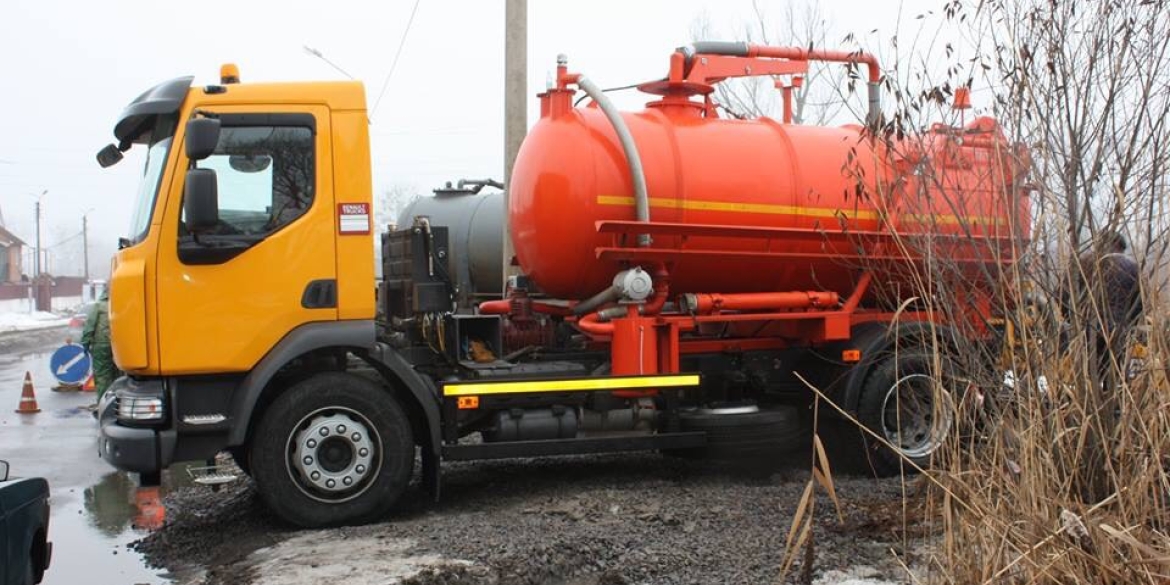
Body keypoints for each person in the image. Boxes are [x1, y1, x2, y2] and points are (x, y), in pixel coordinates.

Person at [81, 289, 121, 401]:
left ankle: (104, 403)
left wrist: (85, 342)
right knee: (120, 375)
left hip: (102, 345)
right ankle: (118, 401)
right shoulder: (121, 304)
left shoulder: (98, 306)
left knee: (103, 376)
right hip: (120, 346)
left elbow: (90, 325)